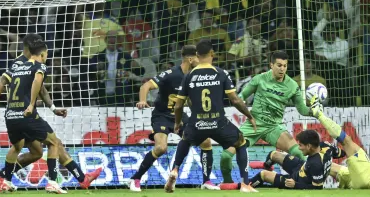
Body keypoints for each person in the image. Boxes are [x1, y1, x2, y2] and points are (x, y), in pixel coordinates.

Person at [0, 36, 101, 192]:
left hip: (11, 114)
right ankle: (62, 181)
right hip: (25, 113)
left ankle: (3, 177)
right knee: (53, 142)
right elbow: (13, 83)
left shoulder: (20, 65)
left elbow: (39, 88)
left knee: (35, 151)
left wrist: (52, 107)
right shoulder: (29, 64)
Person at [164, 39, 258, 193]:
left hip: (197, 122)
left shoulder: (188, 76)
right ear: (212, 54)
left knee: (186, 140)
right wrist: (249, 116)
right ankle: (245, 184)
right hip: (218, 122)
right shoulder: (220, 73)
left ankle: (175, 169)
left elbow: (179, 105)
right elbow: (235, 100)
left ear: (196, 55)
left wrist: (177, 123)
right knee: (241, 142)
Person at [128, 45, 218, 191]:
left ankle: (207, 182)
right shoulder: (171, 74)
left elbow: (188, 99)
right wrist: (143, 100)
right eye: (198, 57)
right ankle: (135, 179)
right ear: (190, 59)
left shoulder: (194, 76)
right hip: (162, 115)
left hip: (180, 115)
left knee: (206, 142)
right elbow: (145, 86)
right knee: (161, 148)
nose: (200, 61)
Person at [220, 51, 313, 184]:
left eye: (285, 66)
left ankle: (303, 182)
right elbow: (240, 98)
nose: (282, 69)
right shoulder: (259, 79)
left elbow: (303, 110)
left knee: (298, 153)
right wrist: (248, 114)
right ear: (271, 65)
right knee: (225, 156)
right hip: (253, 125)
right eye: (279, 65)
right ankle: (228, 183)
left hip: (273, 127)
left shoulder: (292, 85)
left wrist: (314, 111)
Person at [222, 131, 345, 190]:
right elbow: (341, 152)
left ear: (309, 146)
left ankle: (240, 186)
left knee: (263, 175)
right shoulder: (326, 147)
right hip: (302, 166)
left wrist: (295, 185)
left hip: (296, 180)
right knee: (274, 154)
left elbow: (317, 188)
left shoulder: (316, 164)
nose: (299, 148)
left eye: (301, 145)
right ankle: (266, 165)